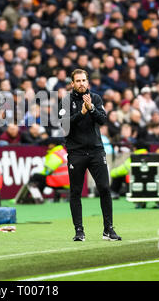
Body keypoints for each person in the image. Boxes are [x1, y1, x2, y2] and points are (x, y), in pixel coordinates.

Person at [61, 69, 121, 241]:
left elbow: (103, 120)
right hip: (76, 152)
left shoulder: (95, 99)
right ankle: (79, 230)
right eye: (78, 81)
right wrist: (82, 113)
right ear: (72, 83)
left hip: (96, 151)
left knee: (104, 188)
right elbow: (64, 126)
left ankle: (108, 229)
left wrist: (92, 109)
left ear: (88, 82)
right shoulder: (66, 101)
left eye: (84, 80)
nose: (81, 83)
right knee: (76, 192)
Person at [27, 137, 69, 202]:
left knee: (36, 177)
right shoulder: (63, 152)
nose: (48, 145)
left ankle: (37, 198)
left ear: (53, 145)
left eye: (49, 144)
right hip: (69, 182)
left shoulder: (55, 155)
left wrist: (39, 174)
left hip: (61, 182)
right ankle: (38, 197)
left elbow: (47, 172)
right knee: (42, 179)